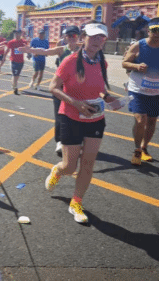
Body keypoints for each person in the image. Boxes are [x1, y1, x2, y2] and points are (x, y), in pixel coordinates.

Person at [44, 23, 119, 224]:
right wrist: (75, 103)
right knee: (69, 167)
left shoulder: (102, 63)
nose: (97, 41)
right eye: (93, 36)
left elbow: (100, 88)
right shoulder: (69, 61)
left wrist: (109, 98)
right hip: (71, 117)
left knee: (88, 163)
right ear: (83, 37)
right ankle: (58, 170)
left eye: (101, 37)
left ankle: (76, 202)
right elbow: (53, 87)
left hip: (95, 118)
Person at [19, 25, 81, 157]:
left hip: (76, 89)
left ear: (78, 37)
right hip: (60, 88)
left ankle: (75, 140)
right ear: (65, 37)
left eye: (74, 35)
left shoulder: (83, 51)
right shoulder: (61, 49)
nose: (71, 38)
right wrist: (30, 49)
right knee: (60, 116)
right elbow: (45, 51)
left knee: (76, 116)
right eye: (68, 35)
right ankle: (60, 141)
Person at [122, 17, 159, 166]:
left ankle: (144, 147)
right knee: (141, 120)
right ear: (148, 30)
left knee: (152, 121)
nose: (157, 33)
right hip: (137, 89)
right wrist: (136, 66)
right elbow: (124, 63)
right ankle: (137, 149)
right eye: (154, 30)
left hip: (156, 91)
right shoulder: (138, 45)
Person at [4, 30, 28, 95]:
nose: (17, 35)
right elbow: (7, 50)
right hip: (13, 61)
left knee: (17, 76)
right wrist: (4, 57)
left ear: (21, 34)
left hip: (21, 61)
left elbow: (26, 49)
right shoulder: (11, 42)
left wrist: (28, 53)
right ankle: (15, 88)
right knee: (15, 75)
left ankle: (14, 85)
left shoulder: (24, 42)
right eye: (16, 34)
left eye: (18, 34)